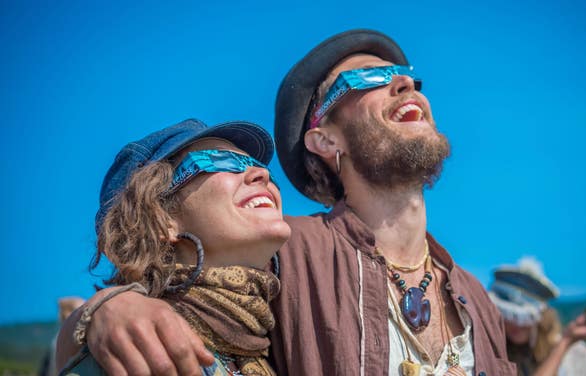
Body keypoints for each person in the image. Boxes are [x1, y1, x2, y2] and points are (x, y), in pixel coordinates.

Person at [57, 30, 516, 376]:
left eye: (409, 77)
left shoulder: (477, 299)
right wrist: (102, 310)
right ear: (323, 138)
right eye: (369, 77)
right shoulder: (289, 254)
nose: (403, 83)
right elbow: (178, 289)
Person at [56, 119, 291, 375]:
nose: (263, 173)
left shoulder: (275, 351)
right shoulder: (132, 355)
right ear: (161, 220)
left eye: (255, 164)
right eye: (221, 160)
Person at [488, 257, 586, 376]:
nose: (516, 323)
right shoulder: (497, 356)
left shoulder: (575, 354)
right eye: (509, 316)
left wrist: (565, 342)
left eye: (523, 318)